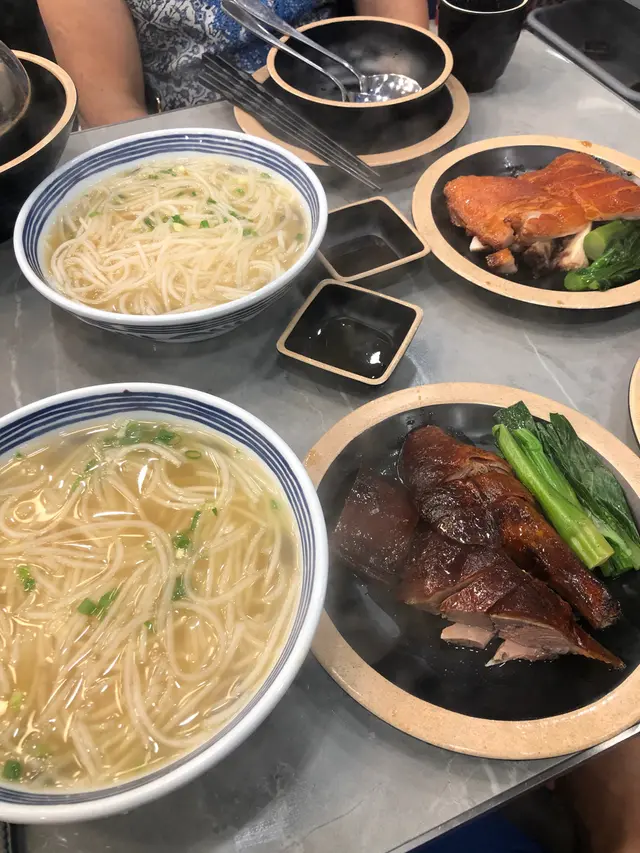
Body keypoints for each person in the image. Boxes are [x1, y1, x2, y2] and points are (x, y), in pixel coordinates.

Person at [37, 0, 430, 127]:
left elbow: (398, 31)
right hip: (195, 134)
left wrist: (395, 109)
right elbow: (112, 111)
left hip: (341, 101)